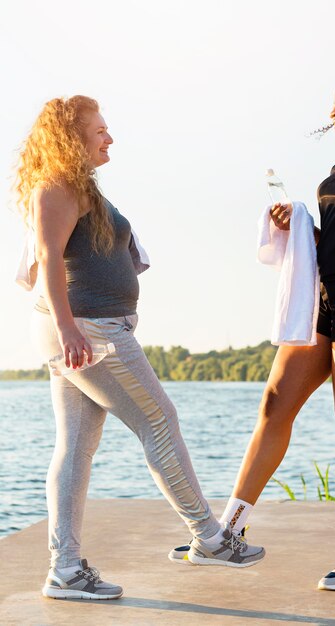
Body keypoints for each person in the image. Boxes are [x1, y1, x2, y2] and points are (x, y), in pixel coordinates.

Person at [169, 73, 335, 590]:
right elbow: (332, 239)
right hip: (324, 296)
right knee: (274, 404)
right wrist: (299, 227)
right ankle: (226, 534)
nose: (333, 114)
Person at [15, 96, 265, 600]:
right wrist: (69, 331)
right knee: (159, 420)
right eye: (100, 130)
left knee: (77, 447)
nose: (109, 138)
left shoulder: (79, 186)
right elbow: (48, 258)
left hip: (86, 328)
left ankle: (65, 571)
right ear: (71, 136)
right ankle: (209, 538)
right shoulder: (57, 186)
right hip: (89, 330)